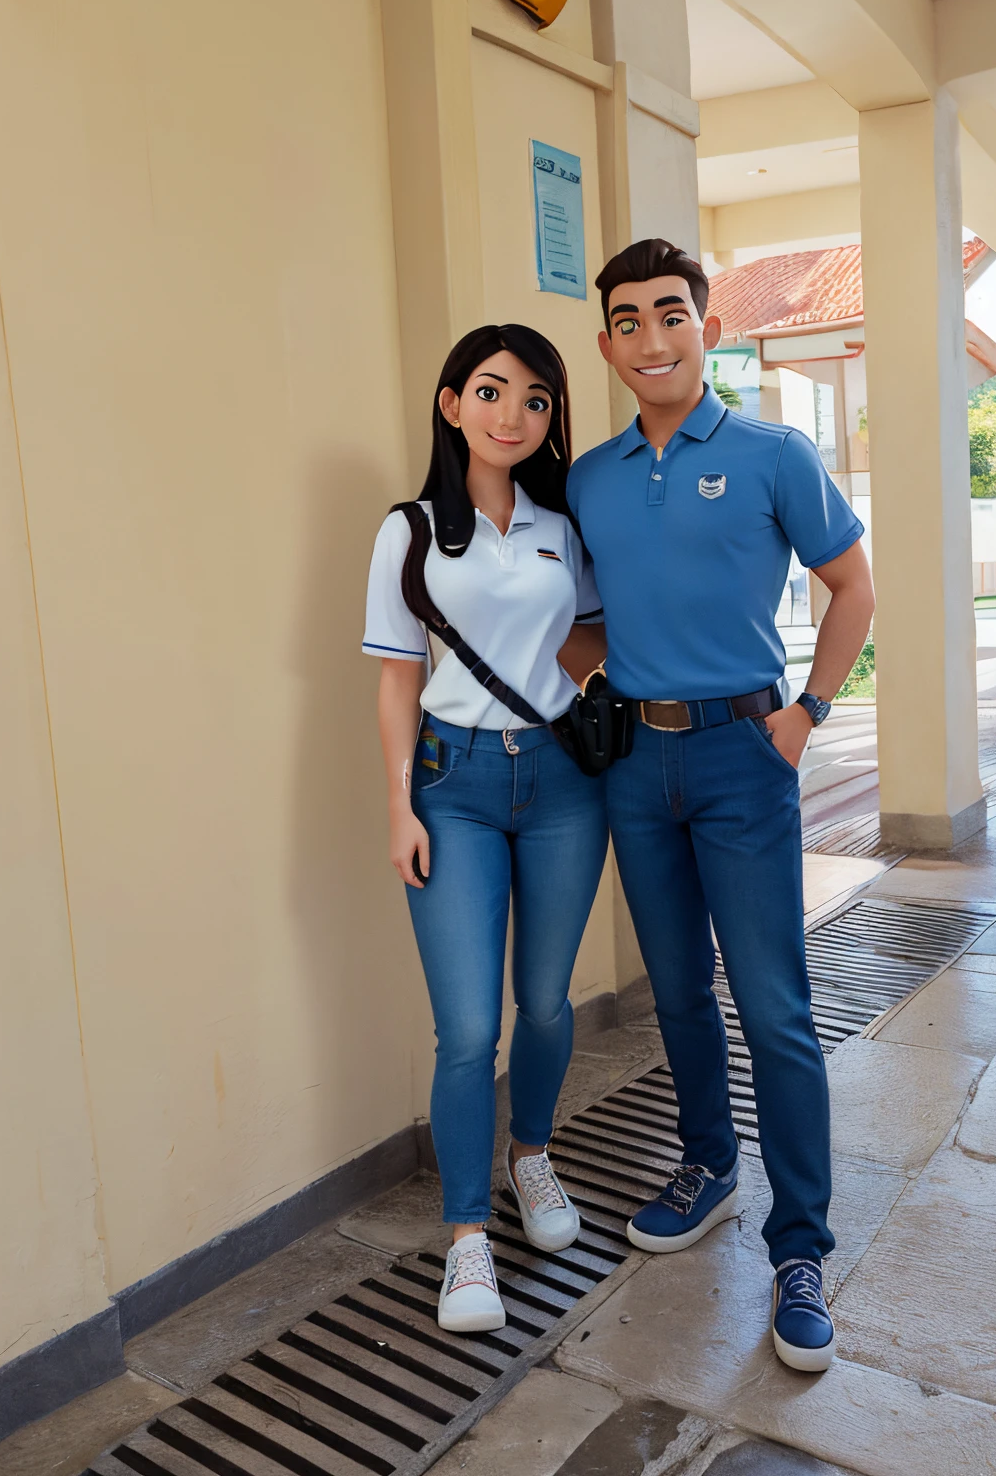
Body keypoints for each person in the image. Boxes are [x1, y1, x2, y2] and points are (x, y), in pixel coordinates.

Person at [566, 239, 875, 1373]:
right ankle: (707, 1162)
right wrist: (583, 673)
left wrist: (807, 715)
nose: (654, 338)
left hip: (747, 757)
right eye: (631, 322)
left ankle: (801, 1249)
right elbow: (584, 617)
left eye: (673, 315)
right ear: (607, 345)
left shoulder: (771, 454)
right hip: (637, 771)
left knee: (774, 1007)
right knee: (678, 996)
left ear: (706, 326)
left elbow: (853, 586)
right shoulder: (590, 477)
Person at [365, 324, 608, 1334]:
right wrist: (395, 804)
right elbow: (396, 674)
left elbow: (591, 631)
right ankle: (468, 1239)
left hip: (560, 782)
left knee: (547, 1004)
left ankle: (532, 1157)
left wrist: (576, 686)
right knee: (469, 1027)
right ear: (452, 402)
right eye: (493, 392)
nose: (514, 415)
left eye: (537, 400)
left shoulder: (564, 523)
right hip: (451, 787)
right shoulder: (410, 530)